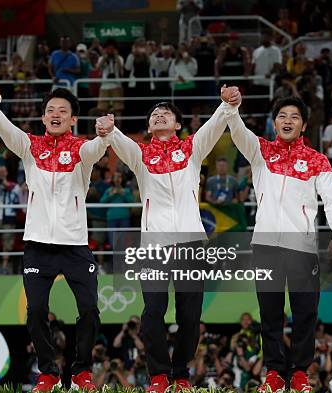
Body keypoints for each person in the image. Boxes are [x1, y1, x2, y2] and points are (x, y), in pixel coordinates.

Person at [95, 86, 240, 393]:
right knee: (152, 313)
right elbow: (119, 141)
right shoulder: (140, 155)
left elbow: (213, 127)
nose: (160, 116)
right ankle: (159, 376)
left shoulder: (192, 149)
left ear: (177, 124)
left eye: (167, 114)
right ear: (149, 127)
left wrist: (226, 106)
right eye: (154, 115)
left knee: (190, 314)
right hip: (154, 247)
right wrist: (109, 131)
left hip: (191, 245)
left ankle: (182, 374)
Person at [0, 85, 109, 392]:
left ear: (73, 119)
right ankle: (48, 373)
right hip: (38, 246)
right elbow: (5, 127)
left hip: (75, 246)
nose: (56, 115)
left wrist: (105, 135)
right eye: (51, 110)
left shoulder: (81, 150)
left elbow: (96, 149)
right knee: (36, 310)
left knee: (90, 309)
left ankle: (81, 372)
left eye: (63, 111)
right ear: (42, 116)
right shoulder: (30, 147)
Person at [225, 96, 332, 392]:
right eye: (282, 115)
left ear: (304, 125)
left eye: (294, 116)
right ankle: (274, 374)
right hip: (266, 246)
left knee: (305, 312)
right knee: (270, 313)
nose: (288, 120)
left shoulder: (318, 160)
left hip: (302, 248)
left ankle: (301, 374)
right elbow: (238, 130)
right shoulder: (261, 152)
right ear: (274, 122)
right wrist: (231, 107)